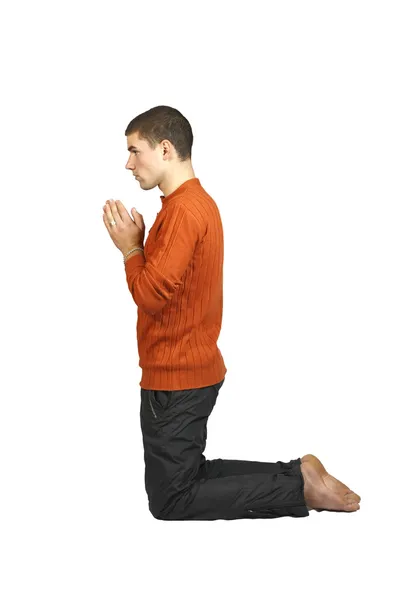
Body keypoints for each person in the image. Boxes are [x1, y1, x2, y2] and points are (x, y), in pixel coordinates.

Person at [102, 105, 361, 520]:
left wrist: (130, 248)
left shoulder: (185, 210)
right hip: (186, 371)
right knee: (186, 478)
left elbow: (151, 295)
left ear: (165, 149)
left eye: (136, 151)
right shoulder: (187, 205)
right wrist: (141, 246)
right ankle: (299, 476)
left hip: (176, 380)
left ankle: (299, 485)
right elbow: (170, 289)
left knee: (172, 500)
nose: (128, 163)